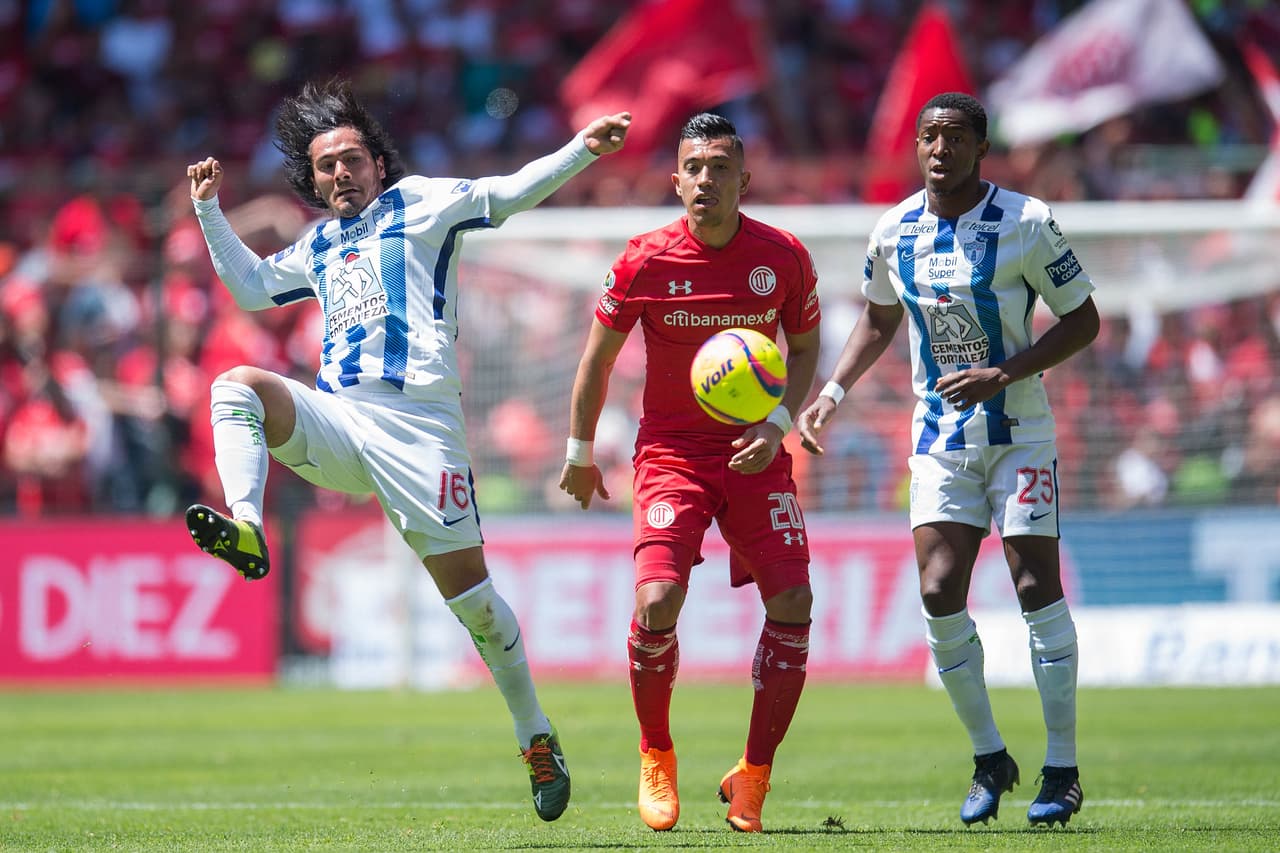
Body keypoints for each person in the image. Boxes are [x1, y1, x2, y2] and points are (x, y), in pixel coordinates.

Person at [183, 77, 630, 822]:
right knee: (235, 386)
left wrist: (582, 148)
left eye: (351, 158)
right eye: (326, 166)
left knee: (478, 609)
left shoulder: (421, 203)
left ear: (377, 164)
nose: (340, 174)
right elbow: (255, 290)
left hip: (422, 433)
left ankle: (535, 735)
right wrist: (207, 210)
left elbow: (510, 193)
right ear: (315, 182)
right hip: (342, 421)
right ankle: (249, 528)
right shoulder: (320, 243)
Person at [797, 92, 1098, 828]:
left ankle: (1062, 767)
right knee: (937, 589)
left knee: (1033, 583)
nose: (939, 149)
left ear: (980, 148)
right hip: (939, 438)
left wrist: (1006, 372)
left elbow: (1084, 319)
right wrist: (831, 391)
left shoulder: (1025, 222)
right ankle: (990, 756)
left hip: (1020, 431)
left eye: (955, 137)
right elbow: (877, 316)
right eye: (930, 136)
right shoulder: (893, 229)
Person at [559, 113, 822, 833]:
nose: (705, 179)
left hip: (755, 451)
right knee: (657, 603)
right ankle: (656, 752)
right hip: (672, 453)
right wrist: (580, 454)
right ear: (676, 180)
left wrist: (776, 426)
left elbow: (804, 349)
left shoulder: (785, 257)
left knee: (794, 598)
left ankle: (754, 774)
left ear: (745, 178)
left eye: (719, 166)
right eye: (693, 167)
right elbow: (597, 361)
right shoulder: (644, 259)